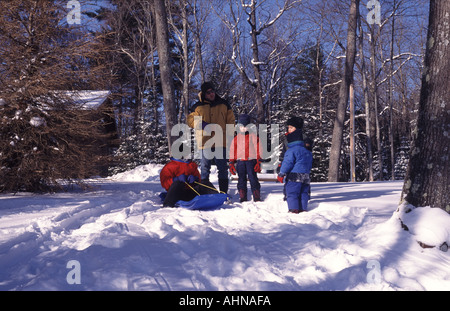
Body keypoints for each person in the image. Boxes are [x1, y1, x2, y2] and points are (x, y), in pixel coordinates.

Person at [187, 82, 235, 194]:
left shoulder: (224, 104)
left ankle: (223, 193)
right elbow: (190, 120)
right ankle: (205, 192)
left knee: (222, 169)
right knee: (204, 169)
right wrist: (202, 124)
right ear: (204, 94)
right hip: (205, 142)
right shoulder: (197, 107)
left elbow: (231, 121)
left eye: (213, 91)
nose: (211, 94)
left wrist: (229, 137)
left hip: (220, 141)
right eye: (208, 92)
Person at [277, 117, 312, 213]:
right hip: (305, 173)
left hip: (294, 173)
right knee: (303, 192)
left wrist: (282, 172)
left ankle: (293, 208)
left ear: (297, 128)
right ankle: (303, 208)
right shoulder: (290, 140)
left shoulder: (303, 140)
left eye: (291, 127)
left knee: (292, 191)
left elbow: (288, 160)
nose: (289, 129)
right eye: (288, 127)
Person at [229, 114, 261, 202]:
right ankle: (242, 196)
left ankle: (256, 195)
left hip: (251, 161)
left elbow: (258, 148)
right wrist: (231, 162)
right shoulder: (236, 138)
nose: (243, 128)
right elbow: (232, 150)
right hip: (240, 162)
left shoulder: (253, 137)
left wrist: (259, 160)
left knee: (253, 178)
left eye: (245, 126)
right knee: (241, 179)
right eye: (241, 126)